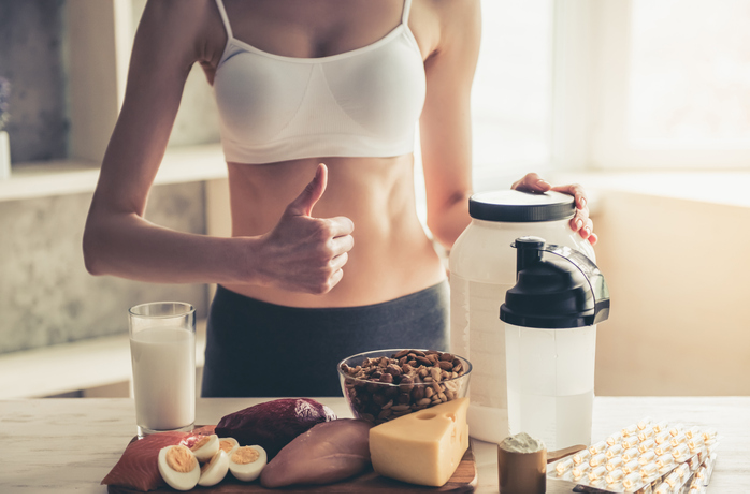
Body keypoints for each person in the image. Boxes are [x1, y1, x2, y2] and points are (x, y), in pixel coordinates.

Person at [83, 0, 597, 397]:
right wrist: (257, 261)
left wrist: (529, 216)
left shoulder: (442, 4)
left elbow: (448, 212)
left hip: (408, 332)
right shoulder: (190, 6)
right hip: (259, 339)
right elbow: (105, 238)